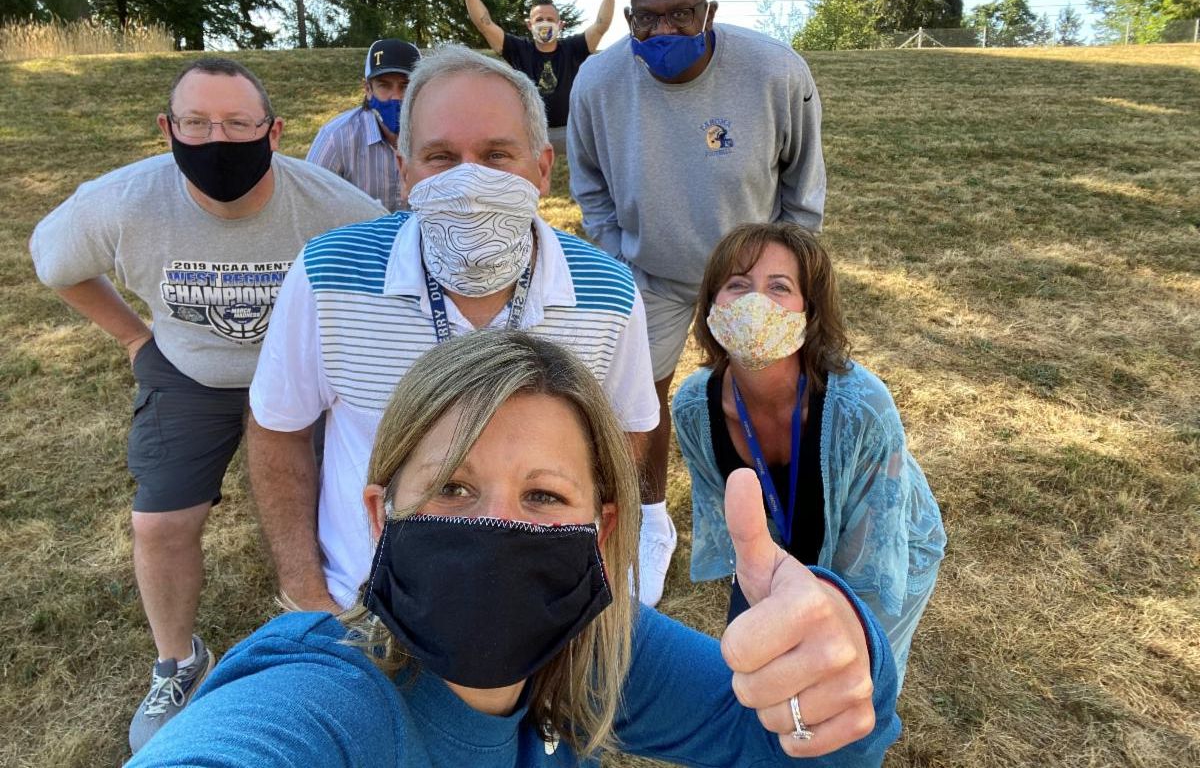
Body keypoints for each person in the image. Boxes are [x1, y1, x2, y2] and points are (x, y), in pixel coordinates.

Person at [126, 330, 901, 767]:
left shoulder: (598, 648)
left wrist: (846, 656)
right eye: (453, 487)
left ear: (599, 530)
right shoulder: (326, 694)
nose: (496, 526)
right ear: (380, 516)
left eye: (543, 496)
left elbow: (794, 745)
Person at [27, 57, 386, 753]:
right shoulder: (125, 199)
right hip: (188, 370)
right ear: (167, 130)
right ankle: (177, 662)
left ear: (274, 132)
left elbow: (384, 271)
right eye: (197, 123)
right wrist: (133, 338)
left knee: (343, 510)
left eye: (238, 123)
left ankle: (340, 634)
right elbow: (53, 261)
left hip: (299, 379)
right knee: (160, 521)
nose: (217, 139)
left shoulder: (331, 204)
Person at [247, 45, 661, 615]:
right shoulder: (328, 275)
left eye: (496, 155)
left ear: (543, 168)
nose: (469, 180)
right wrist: (310, 596)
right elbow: (278, 430)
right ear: (405, 173)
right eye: (440, 157)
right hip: (365, 605)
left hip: (539, 610)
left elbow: (625, 438)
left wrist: (590, 585)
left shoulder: (607, 293)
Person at [568, 0, 828, 598]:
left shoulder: (775, 70)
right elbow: (588, 181)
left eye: (681, 15)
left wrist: (779, 269)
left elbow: (802, 179)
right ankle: (651, 519)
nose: (664, 32)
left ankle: (773, 514)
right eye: (647, 19)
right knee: (637, 401)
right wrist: (616, 250)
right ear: (629, 18)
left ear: (709, 11)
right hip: (649, 272)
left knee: (765, 389)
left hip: (745, 272)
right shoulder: (597, 82)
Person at [672, 223, 946, 685]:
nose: (754, 302)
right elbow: (732, 521)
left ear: (809, 311)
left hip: (886, 545)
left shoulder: (862, 409)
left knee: (852, 681)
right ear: (711, 304)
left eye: (779, 287)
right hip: (782, 547)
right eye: (737, 284)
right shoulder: (693, 408)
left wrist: (834, 637)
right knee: (757, 676)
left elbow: (870, 565)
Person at [462, 0, 616, 152]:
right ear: (529, 25)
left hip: (570, 131)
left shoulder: (573, 48)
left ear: (560, 25)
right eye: (539, 19)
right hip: (532, 133)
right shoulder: (518, 49)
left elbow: (601, 25)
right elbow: (485, 25)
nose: (545, 23)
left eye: (550, 19)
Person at [307, 38, 422, 211]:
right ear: (368, 89)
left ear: (420, 88)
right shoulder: (335, 138)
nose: (396, 97)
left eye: (405, 86)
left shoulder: (441, 134)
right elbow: (309, 202)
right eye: (384, 86)